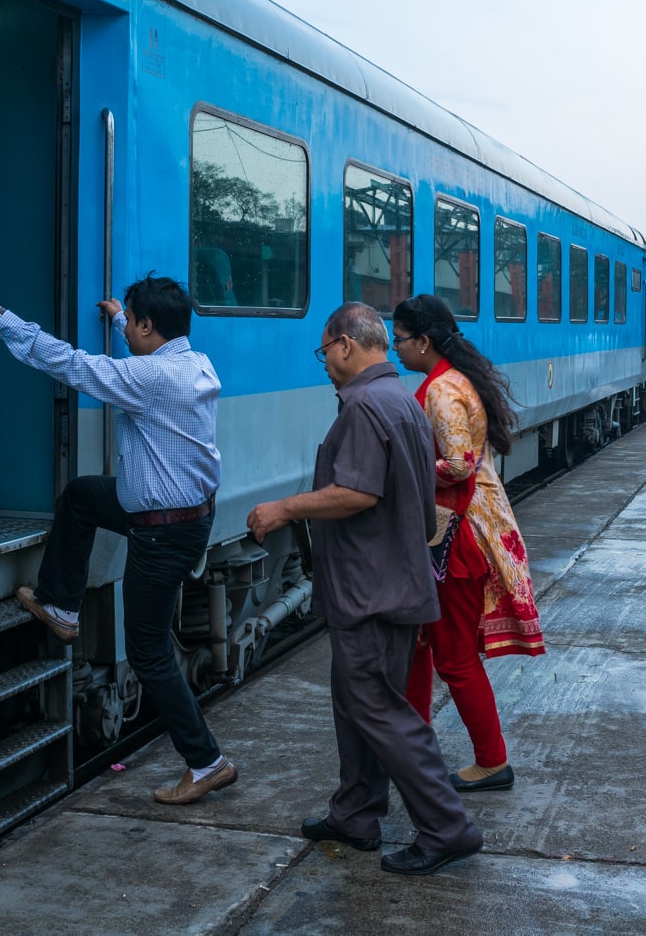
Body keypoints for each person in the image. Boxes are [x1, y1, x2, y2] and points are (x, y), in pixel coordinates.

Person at [0, 276, 235, 805]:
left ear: (149, 326)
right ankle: (61, 606)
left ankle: (206, 762)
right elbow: (140, 347)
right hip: (181, 513)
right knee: (83, 496)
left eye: (132, 321)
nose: (126, 326)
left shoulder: (148, 377)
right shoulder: (193, 362)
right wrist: (115, 316)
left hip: (161, 530)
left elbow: (70, 364)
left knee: (149, 653)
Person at [248, 303, 482, 877]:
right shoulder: (401, 398)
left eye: (324, 350)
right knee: (358, 707)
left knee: (379, 711)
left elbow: (355, 492)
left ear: (346, 344)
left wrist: (283, 508)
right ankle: (355, 813)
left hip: (369, 590)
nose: (324, 362)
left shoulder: (364, 405)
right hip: (390, 583)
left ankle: (448, 827)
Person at [391, 295, 545, 793]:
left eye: (400, 341)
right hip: (454, 527)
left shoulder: (440, 391)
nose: (397, 351)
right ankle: (415, 746)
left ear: (424, 341)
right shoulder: (453, 381)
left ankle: (492, 761)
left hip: (454, 535)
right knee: (422, 644)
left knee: (453, 656)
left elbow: (457, 463)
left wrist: (397, 469)